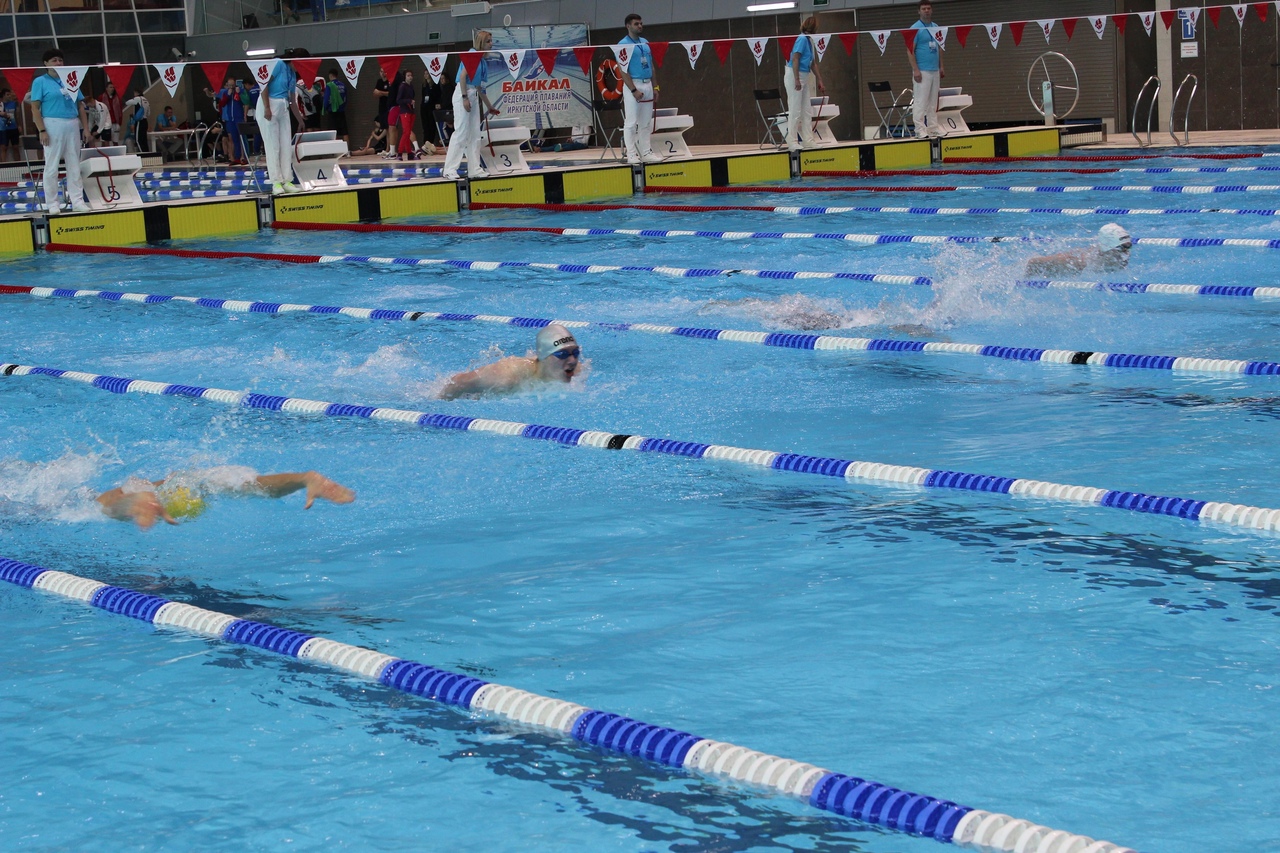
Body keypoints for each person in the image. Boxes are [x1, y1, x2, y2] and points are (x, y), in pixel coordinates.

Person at [97, 468, 354, 530]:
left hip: (152, 492)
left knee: (102, 506)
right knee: (247, 486)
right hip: (186, 482)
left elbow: (107, 504)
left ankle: (135, 502)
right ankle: (304, 478)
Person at [440, 324, 583, 399]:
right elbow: (457, 383)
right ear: (543, 357)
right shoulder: (506, 377)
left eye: (575, 353)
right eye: (563, 354)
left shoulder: (577, 371)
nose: (572, 361)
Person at [28, 49, 90, 214]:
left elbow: (80, 107)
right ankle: (52, 204)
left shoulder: (71, 80)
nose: (58, 63)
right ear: (46, 64)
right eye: (54, 60)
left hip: (72, 123)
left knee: (74, 165)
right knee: (52, 165)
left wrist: (86, 129)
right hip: (52, 123)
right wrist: (42, 130)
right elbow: (35, 108)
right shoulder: (40, 81)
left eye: (60, 60)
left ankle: (77, 201)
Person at [443, 30, 498, 180]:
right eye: (488, 41)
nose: (491, 44)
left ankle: (474, 169)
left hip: (473, 95)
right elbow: (462, 77)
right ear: (481, 42)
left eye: (491, 41)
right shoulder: (472, 55)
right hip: (463, 93)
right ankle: (449, 169)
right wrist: (464, 97)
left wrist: (490, 106)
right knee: (461, 133)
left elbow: (480, 88)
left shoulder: (483, 61)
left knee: (475, 135)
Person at [256, 58, 305, 195]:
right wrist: (267, 107)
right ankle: (276, 182)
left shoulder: (293, 74)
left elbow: (292, 101)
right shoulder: (278, 64)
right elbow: (263, 84)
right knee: (273, 146)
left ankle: (287, 180)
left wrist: (300, 119)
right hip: (269, 103)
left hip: (283, 106)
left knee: (285, 145)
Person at [618, 13, 661, 165]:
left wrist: (655, 86)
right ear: (628, 26)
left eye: (641, 23)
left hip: (648, 83)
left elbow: (652, 67)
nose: (640, 26)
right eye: (636, 24)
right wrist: (633, 90)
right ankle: (631, 154)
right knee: (631, 122)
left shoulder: (645, 43)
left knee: (645, 123)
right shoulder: (623, 44)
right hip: (634, 84)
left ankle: (646, 152)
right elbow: (623, 71)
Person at [1025, 223, 1132, 276]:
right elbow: (1033, 263)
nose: (1126, 253)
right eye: (1123, 248)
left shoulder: (1113, 259)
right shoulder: (1081, 263)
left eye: (1129, 247)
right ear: (1108, 248)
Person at [785, 17, 826, 152]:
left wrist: (820, 80)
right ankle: (792, 141)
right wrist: (796, 79)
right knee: (795, 109)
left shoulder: (809, 41)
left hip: (804, 75)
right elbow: (795, 58)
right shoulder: (802, 39)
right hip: (795, 75)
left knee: (806, 111)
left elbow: (813, 63)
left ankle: (808, 140)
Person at [907, 0, 944, 139]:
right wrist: (915, 69)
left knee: (933, 102)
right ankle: (919, 129)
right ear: (919, 11)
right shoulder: (915, 28)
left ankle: (933, 128)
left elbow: (940, 48)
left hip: (935, 70)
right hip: (922, 70)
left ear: (932, 10)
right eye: (924, 9)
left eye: (928, 8)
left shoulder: (936, 27)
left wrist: (942, 66)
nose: (926, 11)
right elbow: (910, 50)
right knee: (921, 101)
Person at [205, 77, 250, 165]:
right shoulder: (224, 92)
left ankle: (244, 156)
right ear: (227, 85)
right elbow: (211, 95)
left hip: (239, 118)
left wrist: (245, 114)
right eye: (229, 85)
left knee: (242, 138)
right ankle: (237, 157)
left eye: (233, 85)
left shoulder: (240, 91)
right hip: (230, 119)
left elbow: (247, 101)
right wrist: (207, 91)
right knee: (234, 138)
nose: (231, 87)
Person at [323, 69, 348, 144]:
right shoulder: (343, 85)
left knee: (333, 132)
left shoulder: (329, 85)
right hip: (341, 111)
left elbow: (326, 98)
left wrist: (325, 108)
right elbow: (346, 98)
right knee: (344, 132)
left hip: (332, 111)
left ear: (330, 75)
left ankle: (334, 150)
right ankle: (347, 150)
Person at [122, 86, 149, 153]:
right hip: (145, 121)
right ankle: (147, 153)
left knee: (138, 140)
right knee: (144, 139)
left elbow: (127, 103)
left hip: (139, 121)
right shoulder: (146, 100)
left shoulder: (137, 99)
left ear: (136, 92)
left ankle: (143, 154)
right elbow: (148, 113)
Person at [0, 89, 20, 161]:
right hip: (4, 129)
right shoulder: (1, 104)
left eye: (10, 94)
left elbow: (16, 115)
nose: (9, 96)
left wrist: (19, 125)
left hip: (13, 127)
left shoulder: (13, 103)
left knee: (16, 147)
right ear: (3, 95)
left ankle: (19, 164)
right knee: (4, 148)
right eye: (7, 95)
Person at [102, 80, 122, 144]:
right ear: (106, 88)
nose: (112, 89)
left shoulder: (117, 98)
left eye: (113, 87)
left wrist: (120, 122)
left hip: (115, 122)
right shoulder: (102, 97)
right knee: (105, 140)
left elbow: (120, 111)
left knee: (115, 141)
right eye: (110, 87)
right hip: (106, 122)